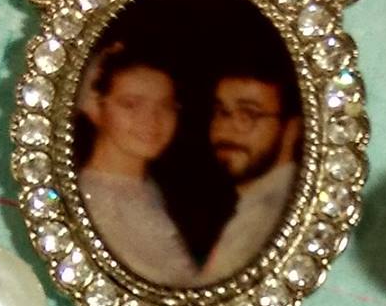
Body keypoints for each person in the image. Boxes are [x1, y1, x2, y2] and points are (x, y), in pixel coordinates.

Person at [77, 46, 198, 287]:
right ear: (96, 108)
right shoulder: (88, 202)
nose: (151, 120)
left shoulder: (156, 193)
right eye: (130, 104)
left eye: (165, 105)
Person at [200, 56, 302, 283]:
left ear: (291, 128)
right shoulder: (249, 206)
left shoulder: (273, 217)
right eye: (220, 111)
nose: (225, 127)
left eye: (248, 114)